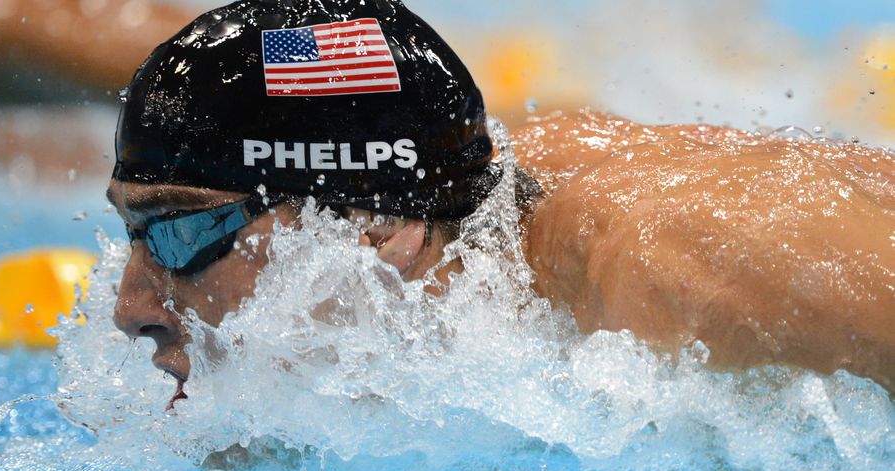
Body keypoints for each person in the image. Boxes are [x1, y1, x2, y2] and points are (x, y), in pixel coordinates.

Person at [107, 0, 895, 408]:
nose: (129, 305)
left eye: (183, 233)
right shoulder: (496, 210)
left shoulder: (679, 271)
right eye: (132, 236)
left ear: (382, 230)